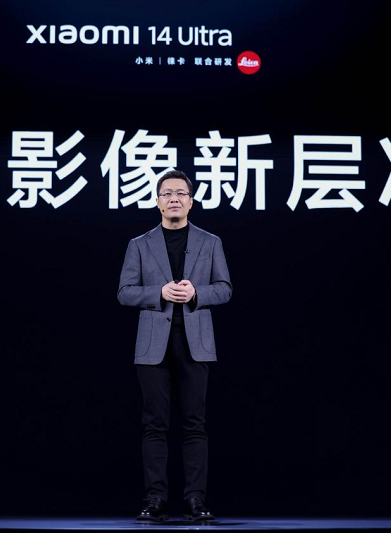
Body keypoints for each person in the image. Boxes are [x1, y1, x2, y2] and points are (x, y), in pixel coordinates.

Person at [117, 169, 233, 522]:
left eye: (181, 193)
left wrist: (197, 292)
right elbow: (124, 292)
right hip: (153, 344)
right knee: (154, 424)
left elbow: (225, 288)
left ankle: (196, 500)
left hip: (196, 342)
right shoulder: (139, 244)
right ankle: (155, 500)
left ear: (191, 202)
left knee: (194, 423)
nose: (174, 199)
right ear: (157, 202)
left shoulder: (210, 242)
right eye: (167, 193)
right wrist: (159, 293)